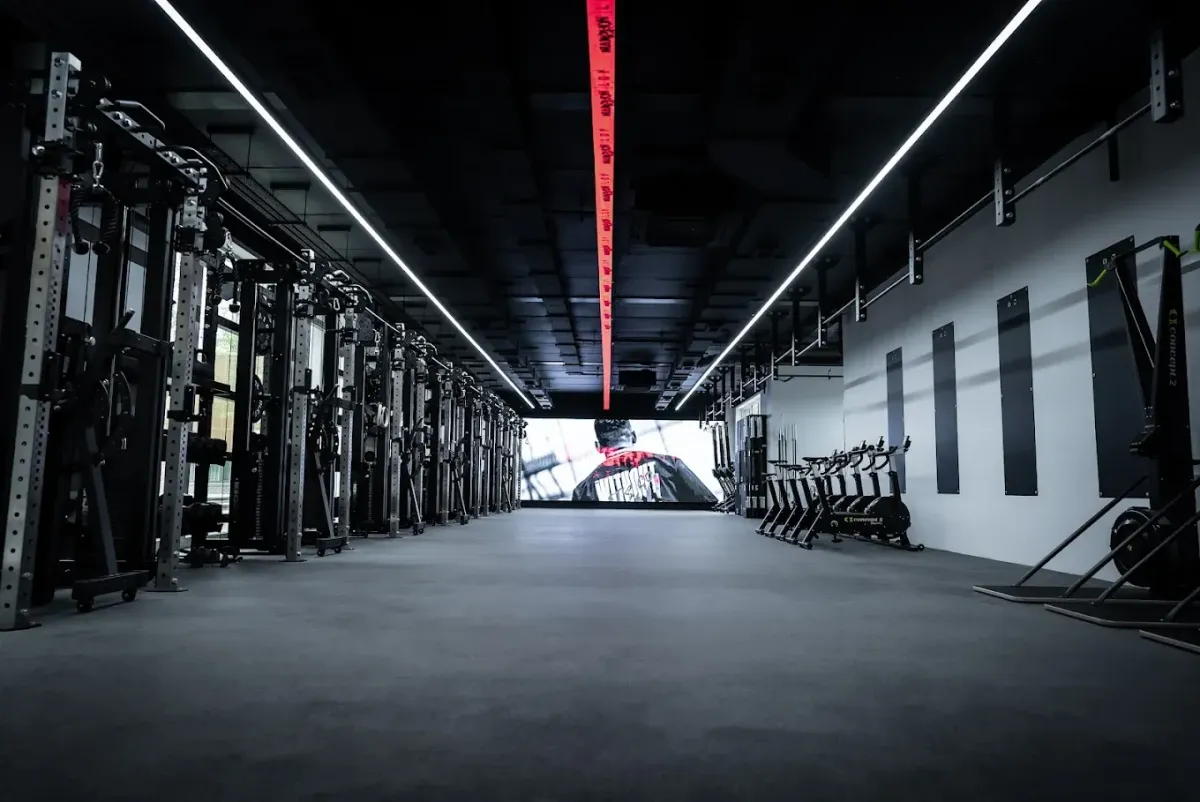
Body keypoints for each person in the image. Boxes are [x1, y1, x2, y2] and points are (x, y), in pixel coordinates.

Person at [571, 419, 717, 503]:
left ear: (598, 447)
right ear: (633, 436)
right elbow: (710, 506)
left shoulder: (584, 489)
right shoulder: (670, 464)